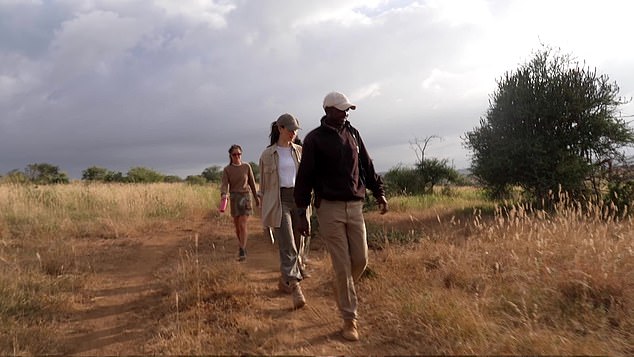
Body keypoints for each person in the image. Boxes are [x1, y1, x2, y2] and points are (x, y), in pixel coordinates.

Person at [294, 91, 388, 341]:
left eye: (347, 109)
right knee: (342, 264)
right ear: (327, 110)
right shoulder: (314, 139)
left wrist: (379, 193)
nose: (346, 113)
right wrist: (302, 213)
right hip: (329, 209)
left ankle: (340, 286)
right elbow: (304, 178)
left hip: (355, 206)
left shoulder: (353, 134)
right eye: (341, 109)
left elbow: (366, 165)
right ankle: (350, 319)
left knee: (361, 259)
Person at [259, 113, 307, 309]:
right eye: (289, 129)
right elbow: (263, 186)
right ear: (280, 128)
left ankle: (284, 280)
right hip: (279, 201)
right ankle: (295, 287)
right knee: (288, 244)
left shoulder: (301, 151)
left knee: (299, 242)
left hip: (300, 201)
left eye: (295, 130)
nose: (293, 133)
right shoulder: (267, 155)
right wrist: (264, 212)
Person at [220, 144, 260, 262]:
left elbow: (252, 183)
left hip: (245, 197)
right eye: (234, 154)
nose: (237, 156)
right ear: (230, 156)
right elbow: (224, 184)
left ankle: (242, 249)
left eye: (239, 154)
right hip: (234, 197)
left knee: (243, 224)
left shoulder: (246, 167)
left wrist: (257, 199)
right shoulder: (227, 170)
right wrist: (223, 194)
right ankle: (242, 245)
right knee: (237, 227)